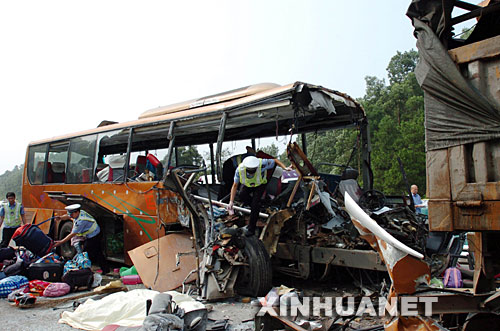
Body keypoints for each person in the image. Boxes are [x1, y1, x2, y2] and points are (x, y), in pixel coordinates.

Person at [228, 156, 292, 236]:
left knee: (255, 205)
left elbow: (275, 160)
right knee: (242, 196)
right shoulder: (239, 170)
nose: (252, 172)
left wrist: (285, 168)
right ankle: (257, 206)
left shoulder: (262, 163)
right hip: (247, 185)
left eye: (253, 170)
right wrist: (231, 202)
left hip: (260, 185)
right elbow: (235, 185)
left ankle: (251, 229)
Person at [53, 204, 110, 274]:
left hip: (94, 235)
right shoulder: (80, 212)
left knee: (85, 253)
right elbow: (68, 216)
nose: (71, 216)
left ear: (76, 212)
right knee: (96, 252)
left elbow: (72, 234)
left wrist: (61, 242)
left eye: (72, 214)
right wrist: (61, 218)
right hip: (91, 234)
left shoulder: (81, 221)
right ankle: (104, 269)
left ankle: (85, 271)